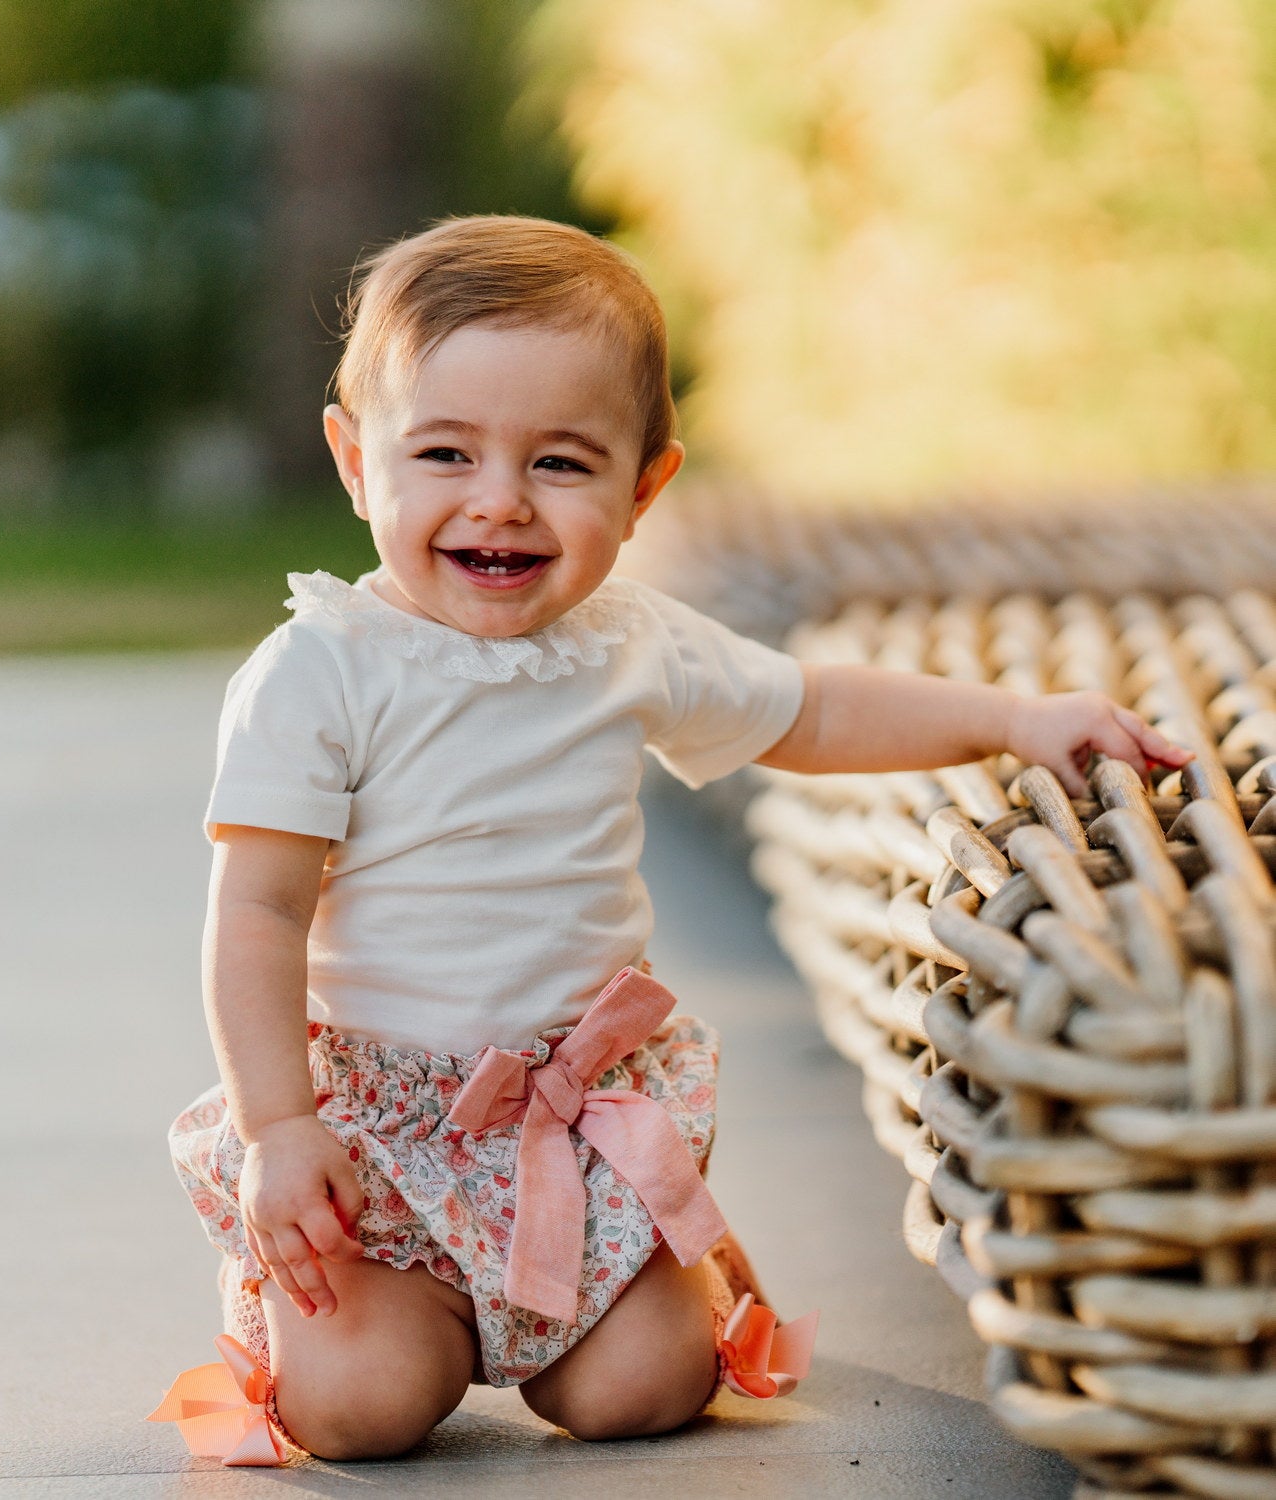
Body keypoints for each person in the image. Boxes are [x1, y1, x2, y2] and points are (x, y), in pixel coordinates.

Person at [149, 216, 1191, 1466]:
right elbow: (256, 913)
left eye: (562, 465)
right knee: (363, 1409)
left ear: (646, 488)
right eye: (444, 452)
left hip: (571, 1113)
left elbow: (815, 710)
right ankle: (382, 1317)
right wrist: (280, 1129)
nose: (500, 501)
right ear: (355, 464)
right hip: (380, 1138)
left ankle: (628, 1293)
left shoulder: (632, 645)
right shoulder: (321, 672)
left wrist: (1016, 721)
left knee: (649, 1387)